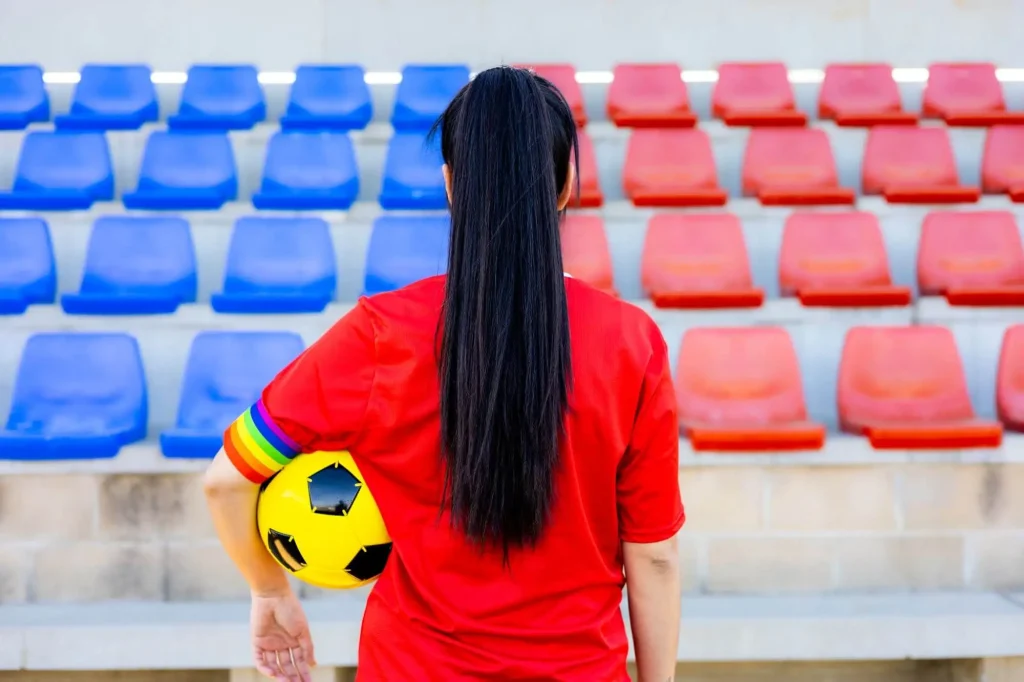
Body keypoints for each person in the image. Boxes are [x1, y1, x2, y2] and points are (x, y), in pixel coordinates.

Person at [204, 65, 684, 682]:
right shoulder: (631, 343)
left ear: (452, 186)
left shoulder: (380, 334)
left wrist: (269, 592)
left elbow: (226, 481)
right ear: (565, 185)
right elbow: (656, 557)